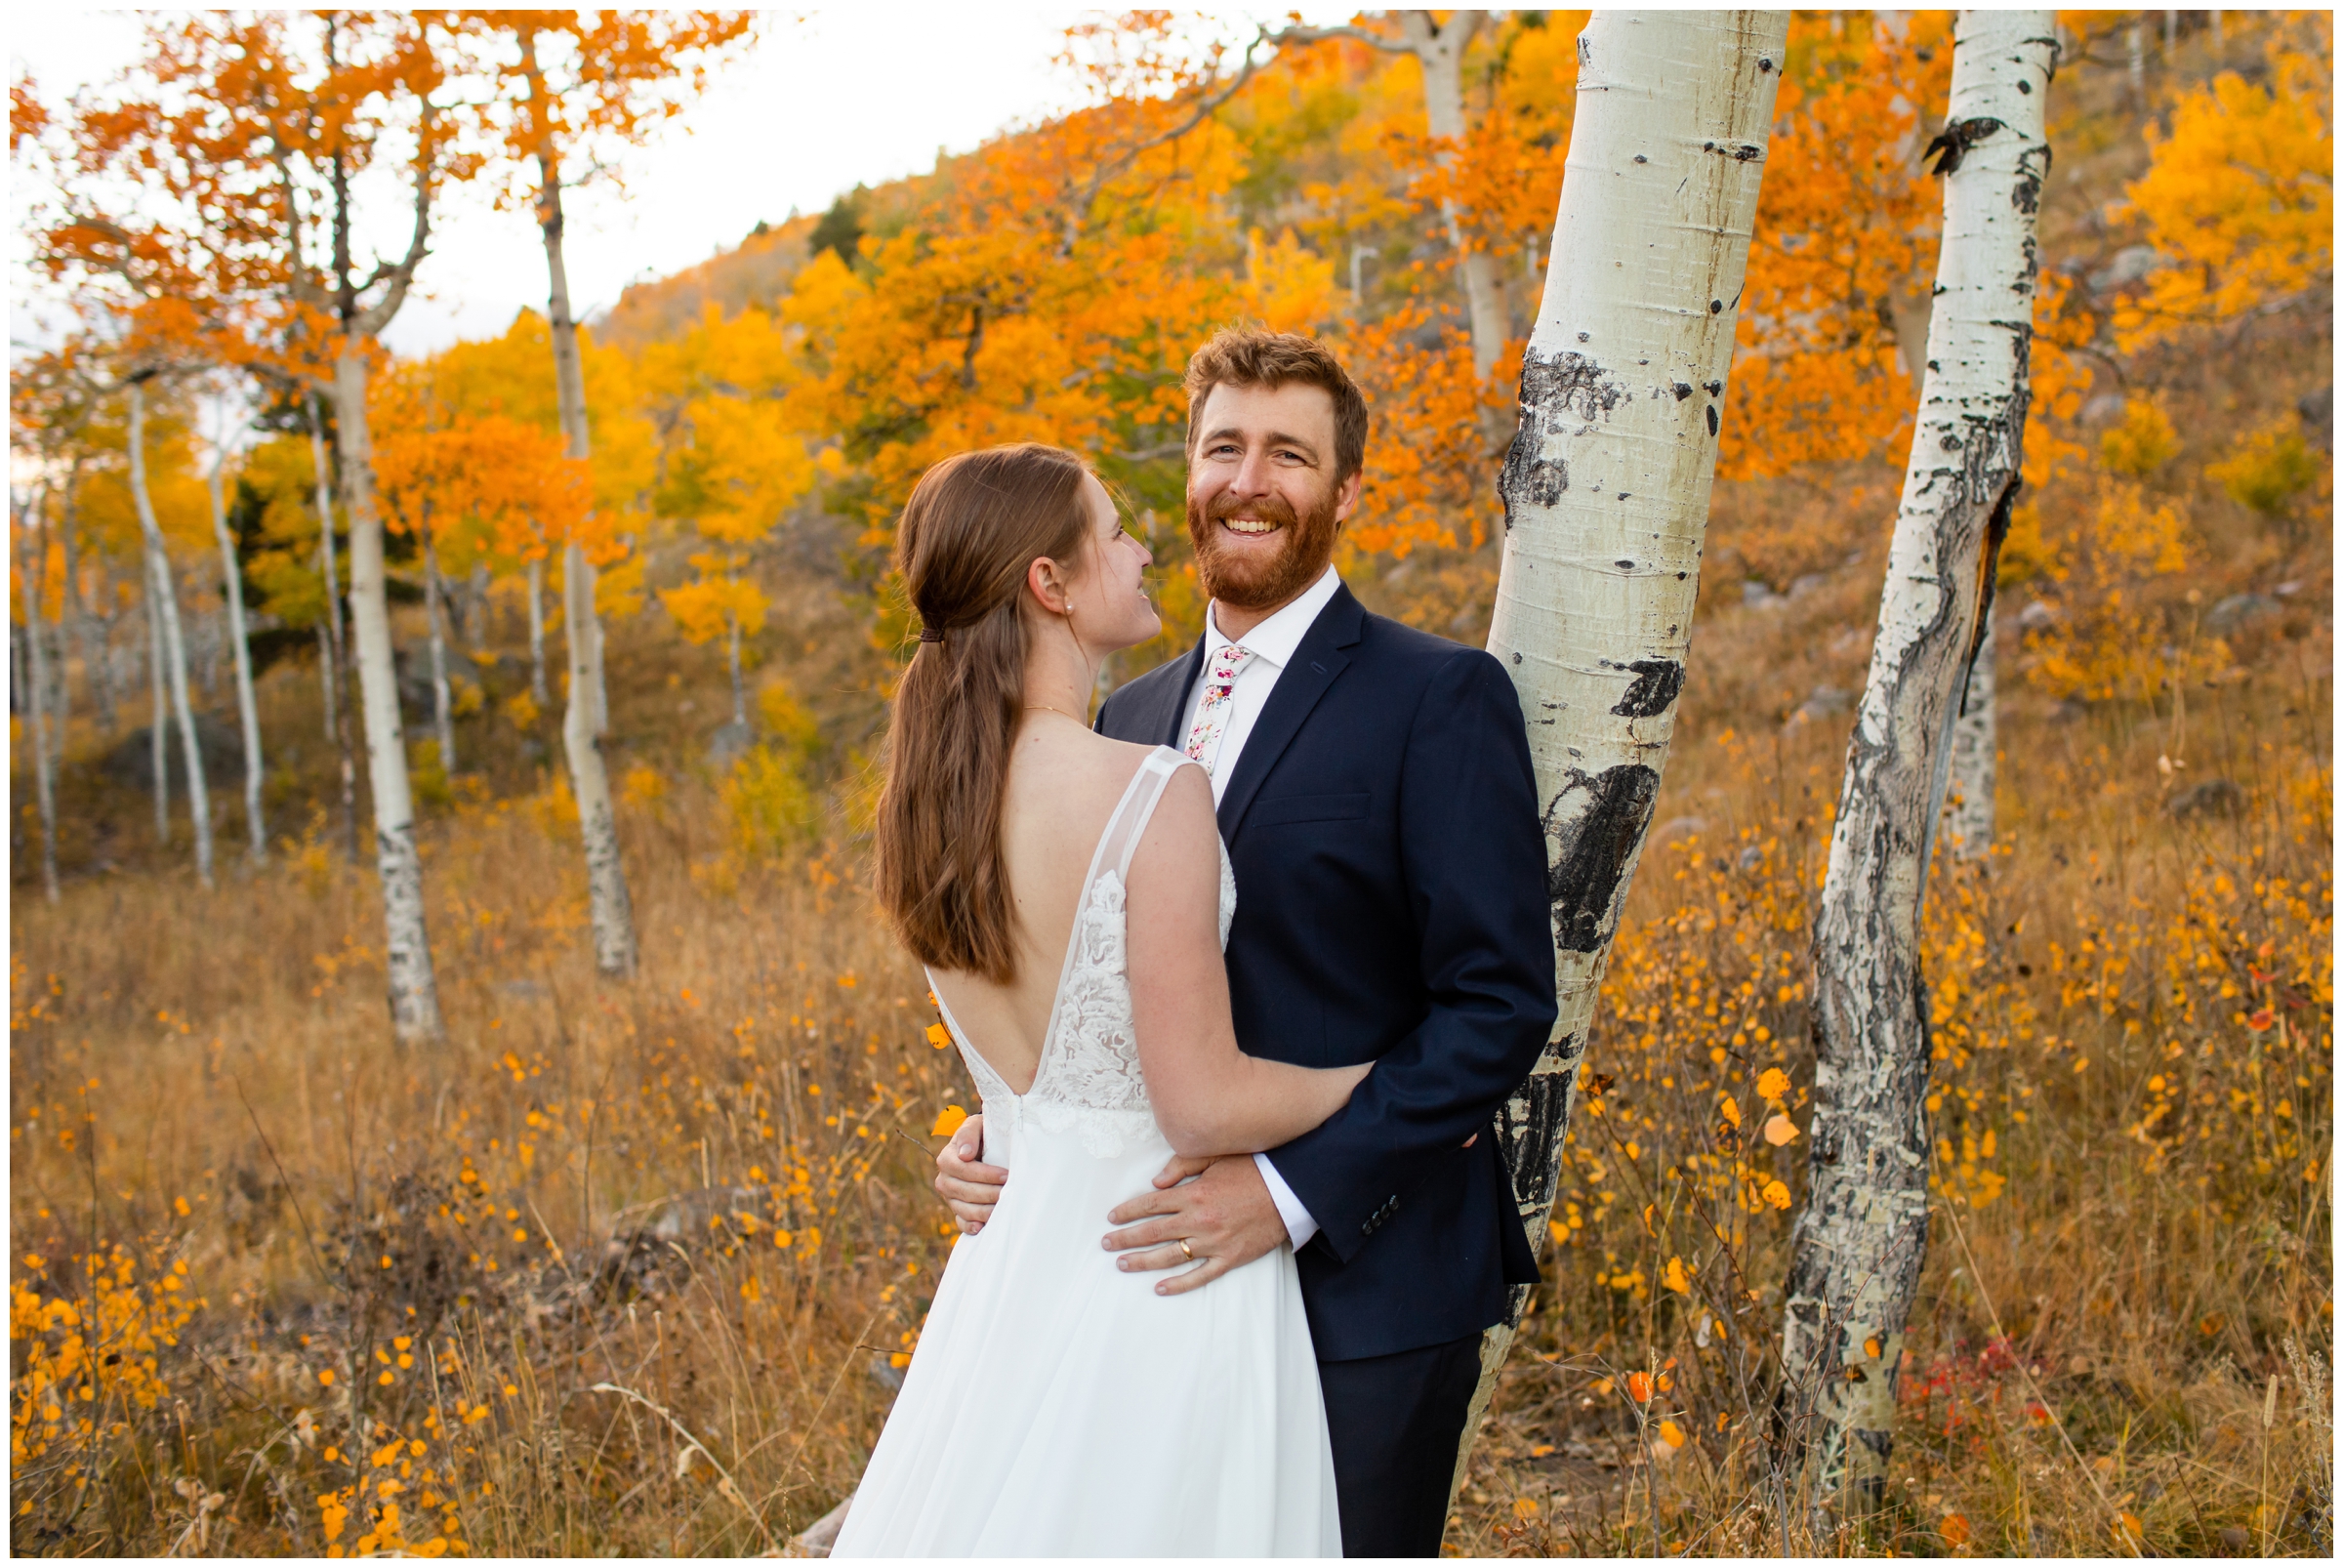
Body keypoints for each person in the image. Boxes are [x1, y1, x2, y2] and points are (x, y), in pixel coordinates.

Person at [935, 330, 1558, 1556]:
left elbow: (1498, 1004)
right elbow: (1086, 987)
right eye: (1225, 446)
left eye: (1290, 453)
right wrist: (1003, 1122)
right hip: (1144, 1287)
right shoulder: (1124, 709)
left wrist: (1288, 1196)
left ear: (1346, 492)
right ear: (1189, 471)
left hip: (1365, 1283)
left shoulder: (1438, 697)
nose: (1250, 480)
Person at [833, 441, 1366, 1557]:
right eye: (1115, 532)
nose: (1141, 550)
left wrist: (986, 1131)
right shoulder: (1151, 790)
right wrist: (1380, 1073)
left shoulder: (928, 806)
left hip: (1008, 1275)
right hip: (1159, 1267)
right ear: (1051, 582)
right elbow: (1202, 1108)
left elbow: (1035, 1077)